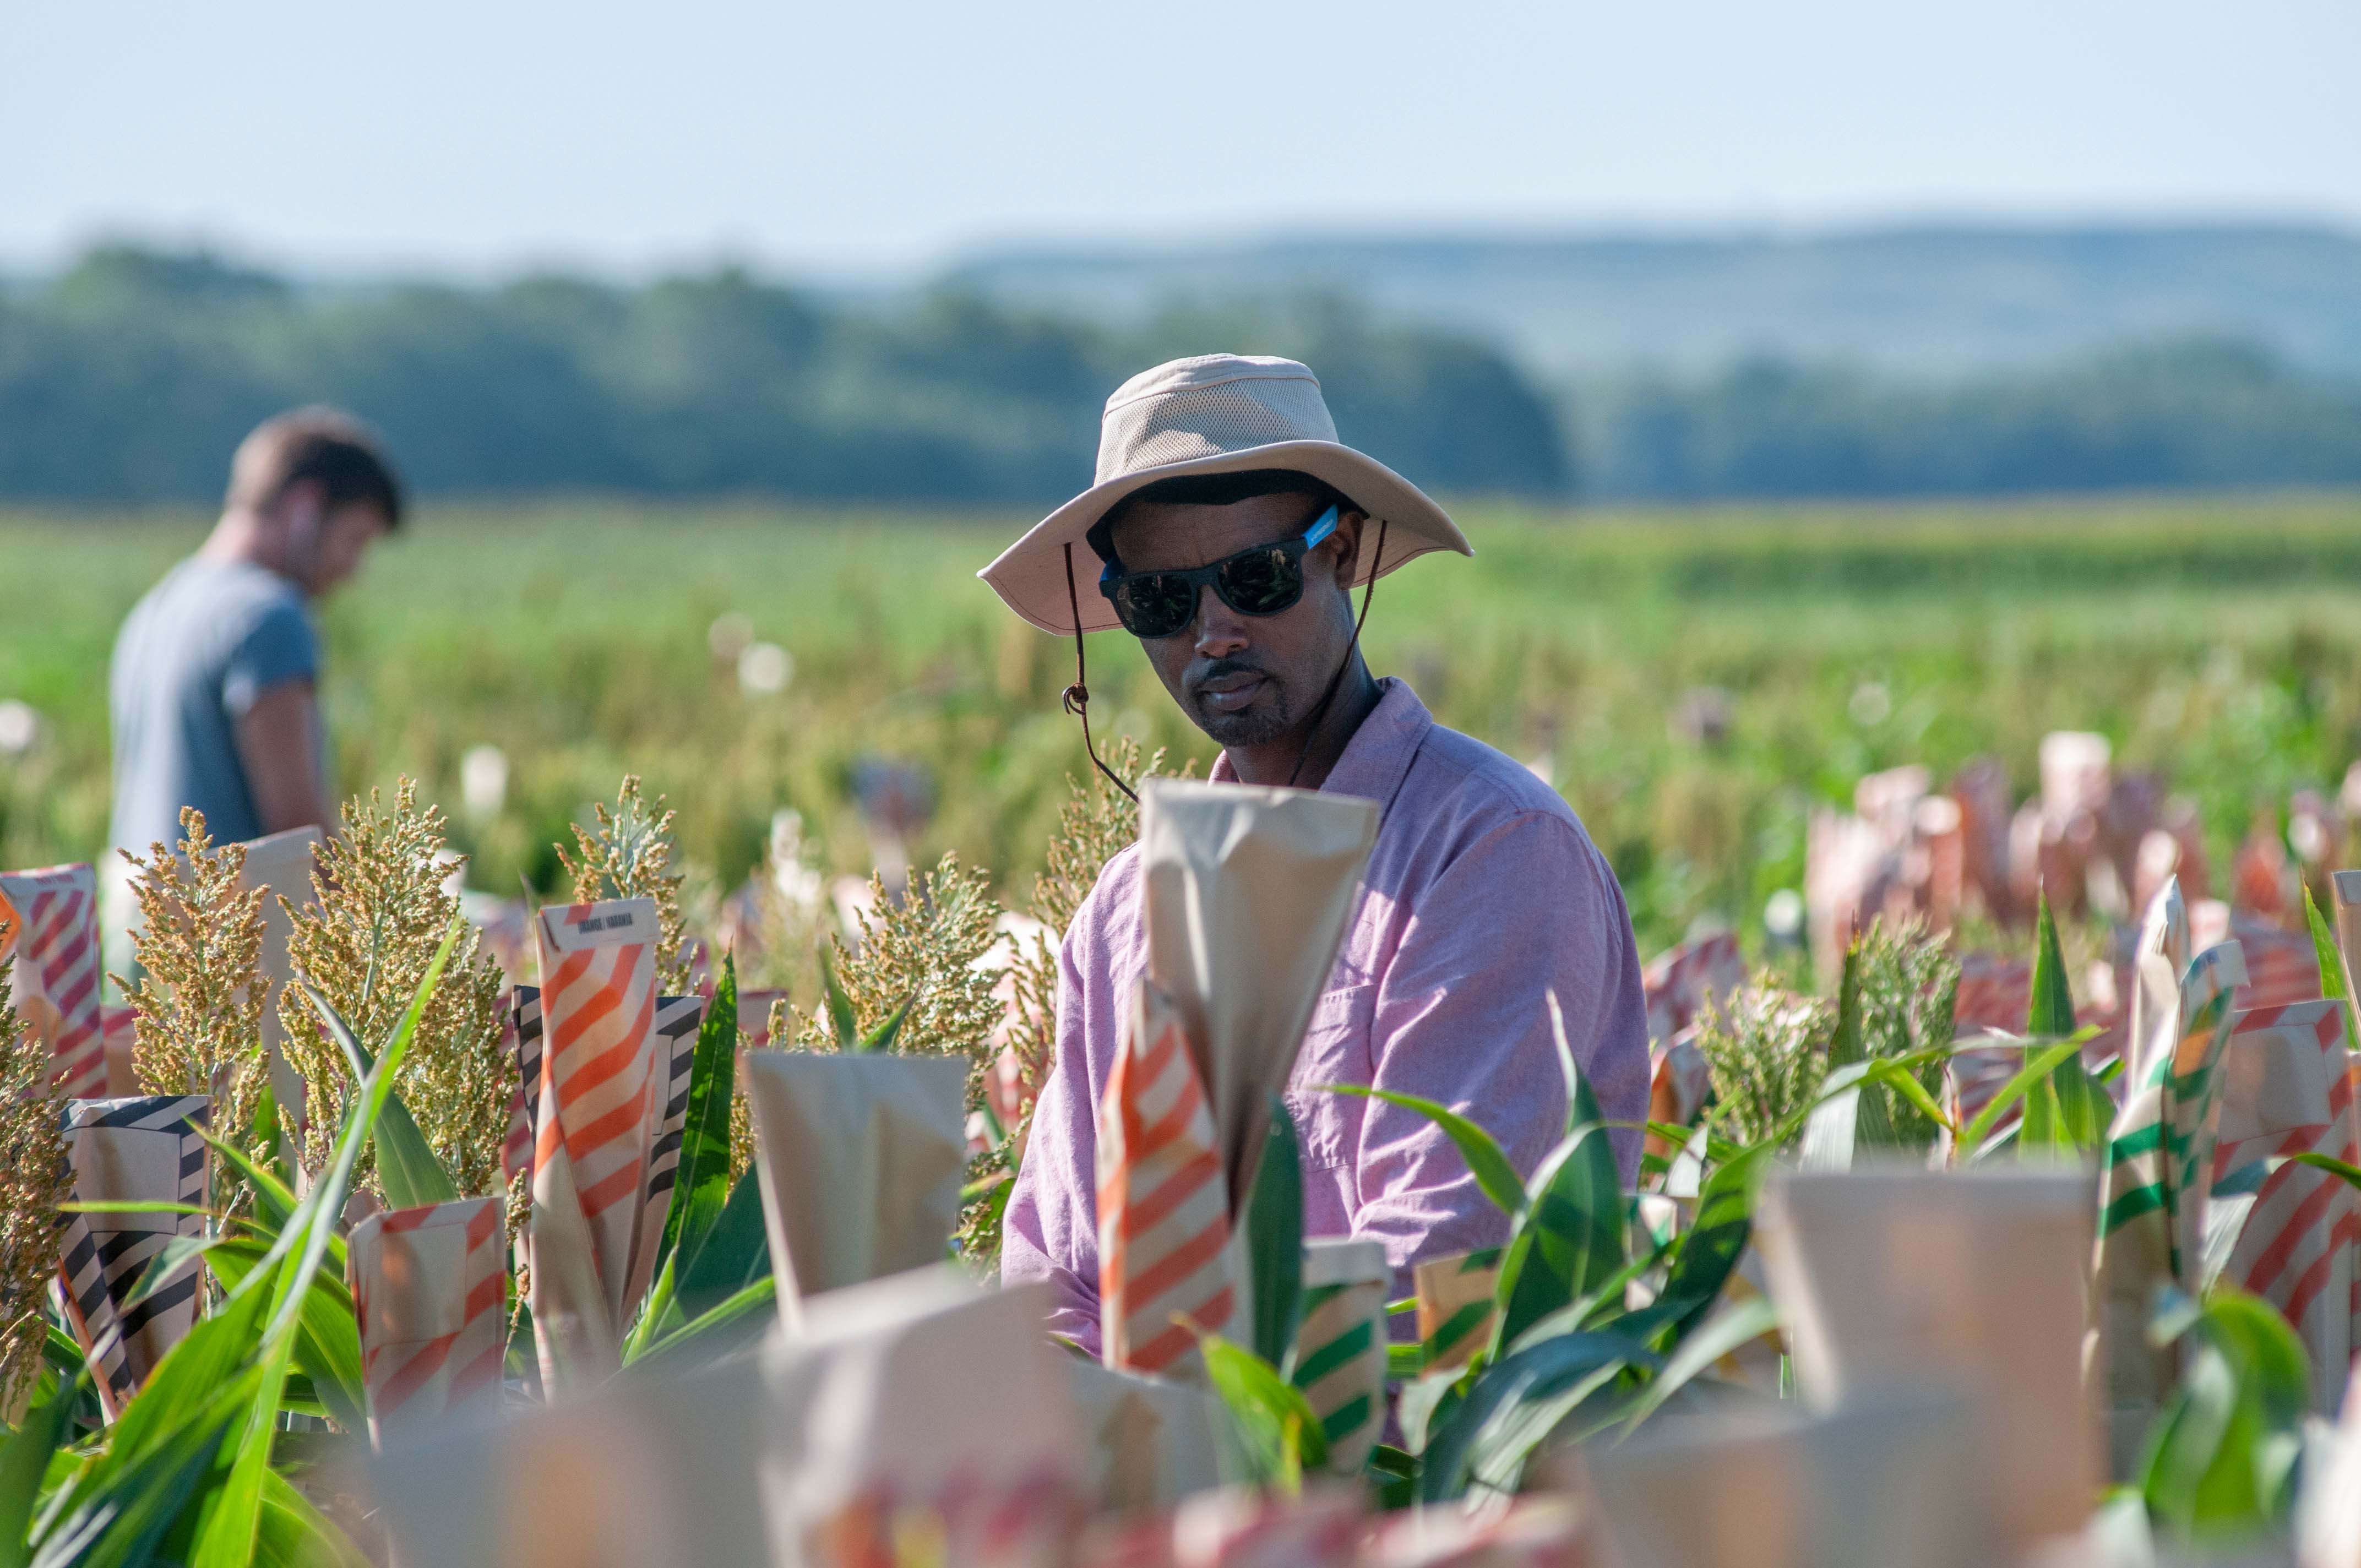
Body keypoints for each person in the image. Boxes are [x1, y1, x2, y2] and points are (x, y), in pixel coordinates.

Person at [980, 353, 1651, 1351]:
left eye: (1254, 579)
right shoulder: (1122, 916)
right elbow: (1054, 1275)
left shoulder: (1490, 852)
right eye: (1161, 601)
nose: (1213, 634)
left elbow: (1446, 1263)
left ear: (1341, 553)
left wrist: (1205, 1412)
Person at [108, 406, 401, 878]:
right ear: (305, 508)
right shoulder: (268, 617)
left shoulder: (159, 606)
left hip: (143, 929)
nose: (353, 571)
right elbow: (299, 837)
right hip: (227, 942)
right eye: (355, 539)